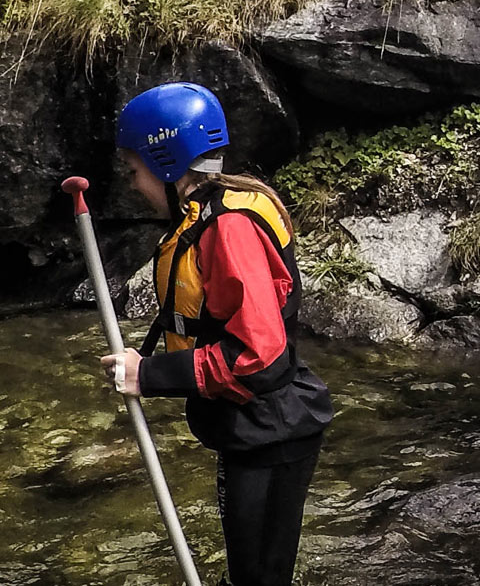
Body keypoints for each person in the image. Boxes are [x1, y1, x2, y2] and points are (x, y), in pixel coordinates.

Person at [99, 83, 333, 586]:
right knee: (250, 572)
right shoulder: (202, 216)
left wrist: (153, 374)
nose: (133, 184)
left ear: (165, 163)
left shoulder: (229, 227)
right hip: (248, 424)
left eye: (133, 170)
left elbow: (260, 355)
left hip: (272, 426)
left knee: (258, 577)